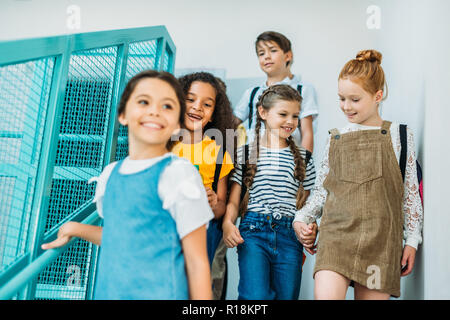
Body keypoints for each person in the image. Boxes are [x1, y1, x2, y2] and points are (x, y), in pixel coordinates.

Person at [42, 70, 213, 300]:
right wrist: (76, 228)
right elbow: (122, 236)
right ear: (122, 114)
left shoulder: (179, 173)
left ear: (177, 123)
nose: (154, 111)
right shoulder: (110, 174)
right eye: (144, 101)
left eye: (167, 106)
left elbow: (197, 262)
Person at [293, 50, 424, 300]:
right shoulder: (336, 139)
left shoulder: (401, 136)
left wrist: (412, 240)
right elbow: (322, 191)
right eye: (341, 98)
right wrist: (301, 220)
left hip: (381, 245)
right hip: (336, 239)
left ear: (378, 96)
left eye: (354, 99)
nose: (346, 106)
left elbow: (410, 195)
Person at [223, 84, 317, 300]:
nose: (290, 122)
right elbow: (234, 200)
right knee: (254, 296)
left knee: (287, 295)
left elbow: (309, 205)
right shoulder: (245, 153)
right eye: (283, 114)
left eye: (295, 116)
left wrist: (310, 228)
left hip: (290, 236)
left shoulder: (305, 158)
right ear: (263, 113)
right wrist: (228, 223)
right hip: (254, 232)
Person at [172, 72, 235, 267]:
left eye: (207, 104)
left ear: (214, 113)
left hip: (200, 230)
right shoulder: (162, 143)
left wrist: (214, 202)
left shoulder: (219, 152)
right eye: (190, 99)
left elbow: (221, 207)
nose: (197, 107)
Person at [233, 31, 319, 152]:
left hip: (288, 159)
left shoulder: (303, 90)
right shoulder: (251, 93)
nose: (266, 56)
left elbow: (307, 132)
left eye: (273, 50)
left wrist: (304, 166)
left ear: (288, 56)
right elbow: (230, 124)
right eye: (261, 53)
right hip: (254, 162)